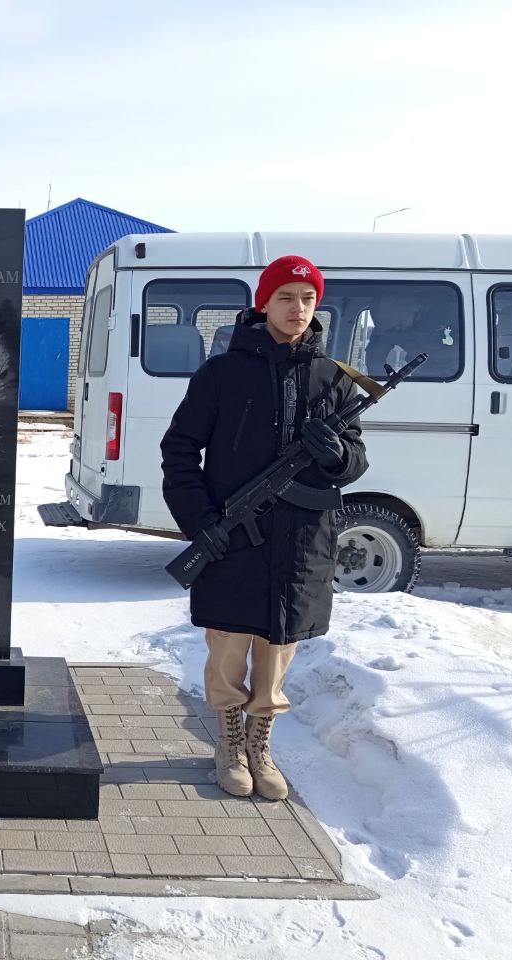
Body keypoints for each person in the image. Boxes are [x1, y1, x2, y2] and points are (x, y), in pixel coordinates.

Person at [160, 255, 368, 801]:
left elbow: (357, 462)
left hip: (302, 542)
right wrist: (201, 522)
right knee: (229, 642)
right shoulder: (221, 374)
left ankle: (260, 742)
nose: (297, 309)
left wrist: (337, 454)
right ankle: (229, 742)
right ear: (263, 303)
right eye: (285, 297)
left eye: (307, 299)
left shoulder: (334, 379)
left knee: (278, 648)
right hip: (233, 536)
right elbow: (179, 450)